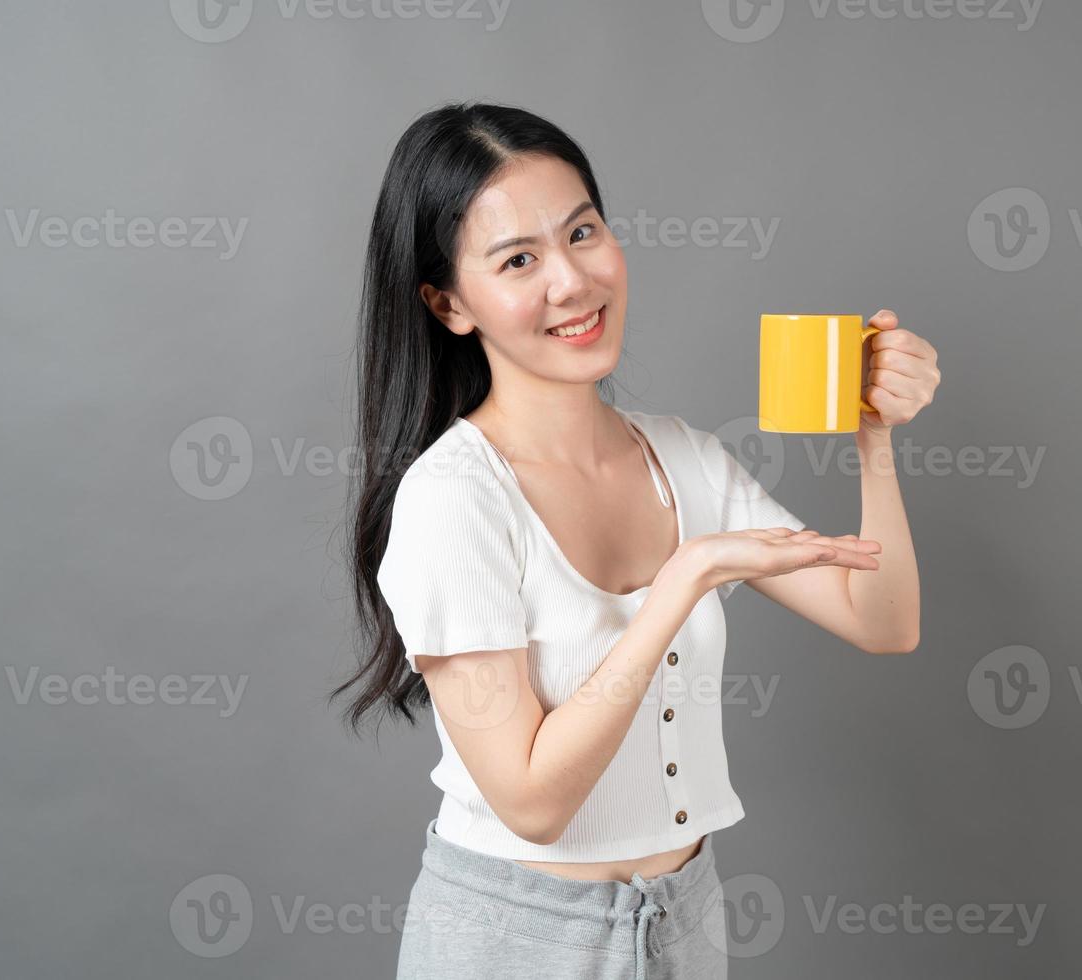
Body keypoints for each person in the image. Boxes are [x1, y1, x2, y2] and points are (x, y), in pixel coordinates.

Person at [331, 101, 939, 979]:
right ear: (449, 304)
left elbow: (885, 622)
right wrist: (683, 581)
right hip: (514, 937)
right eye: (518, 260)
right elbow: (533, 803)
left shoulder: (685, 459)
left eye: (582, 232)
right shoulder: (451, 501)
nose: (573, 282)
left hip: (682, 922)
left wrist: (873, 439)